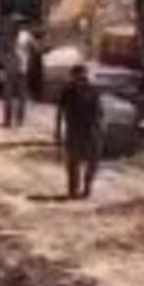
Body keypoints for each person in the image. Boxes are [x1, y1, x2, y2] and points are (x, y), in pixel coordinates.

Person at [56, 64, 103, 199]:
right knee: (73, 163)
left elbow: (99, 112)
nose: (81, 79)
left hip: (91, 130)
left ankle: (87, 186)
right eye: (78, 77)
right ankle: (73, 189)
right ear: (73, 77)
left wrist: (99, 130)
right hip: (74, 130)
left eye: (83, 76)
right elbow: (60, 112)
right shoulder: (67, 91)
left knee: (92, 162)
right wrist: (58, 132)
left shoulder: (94, 90)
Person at [0, 14, 36, 128]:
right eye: (15, 23)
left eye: (20, 23)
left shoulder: (27, 36)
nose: (18, 25)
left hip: (22, 70)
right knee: (8, 96)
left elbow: (35, 49)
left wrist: (29, 56)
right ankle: (7, 120)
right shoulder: (6, 37)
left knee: (21, 97)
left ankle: (20, 120)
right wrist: (6, 62)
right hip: (10, 70)